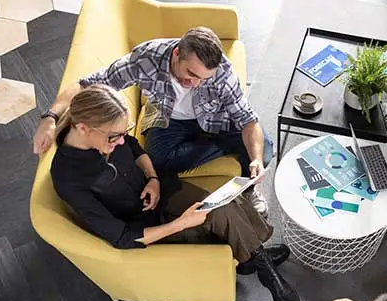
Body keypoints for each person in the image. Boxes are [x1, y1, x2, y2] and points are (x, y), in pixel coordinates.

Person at [49, 84, 299, 301]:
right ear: (82, 128)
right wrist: (181, 223)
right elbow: (123, 238)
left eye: (122, 132)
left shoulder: (110, 137)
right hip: (148, 226)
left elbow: (135, 147)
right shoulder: (68, 178)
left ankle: (251, 260)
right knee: (222, 214)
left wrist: (153, 178)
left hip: (163, 191)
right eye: (114, 137)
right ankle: (265, 270)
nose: (121, 140)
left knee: (226, 199)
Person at [33, 26, 273, 216]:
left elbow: (248, 120)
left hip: (216, 119)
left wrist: (253, 159)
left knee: (264, 150)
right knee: (157, 161)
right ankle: (224, 145)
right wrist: (50, 117)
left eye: (204, 78)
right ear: (177, 52)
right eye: (191, 74)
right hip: (168, 119)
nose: (196, 83)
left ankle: (249, 188)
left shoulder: (223, 73)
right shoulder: (147, 59)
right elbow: (87, 84)